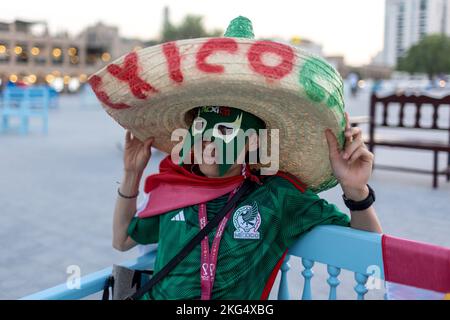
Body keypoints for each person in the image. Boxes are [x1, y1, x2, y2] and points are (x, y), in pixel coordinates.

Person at [90, 16, 382, 300]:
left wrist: (356, 191)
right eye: (201, 126)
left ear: (252, 141)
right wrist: (131, 174)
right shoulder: (172, 190)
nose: (207, 139)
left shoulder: (276, 197)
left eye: (225, 129)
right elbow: (122, 240)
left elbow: (369, 249)